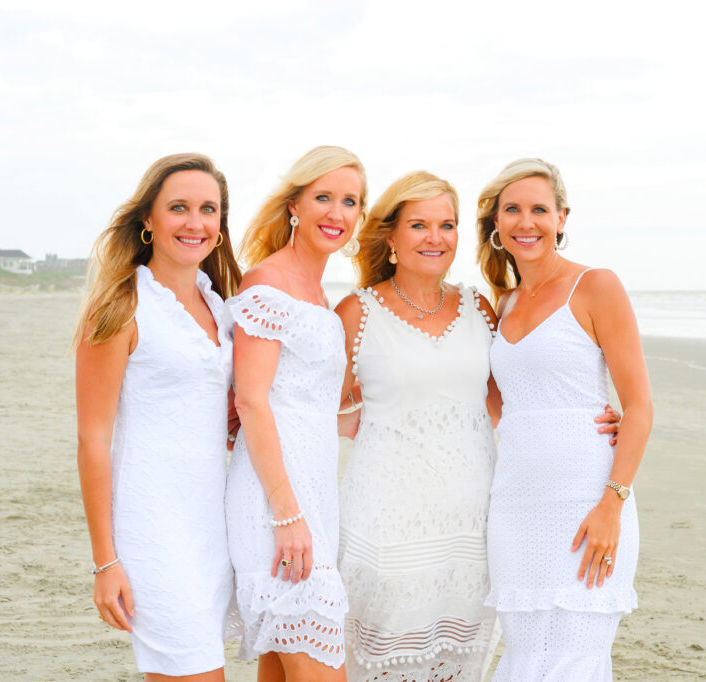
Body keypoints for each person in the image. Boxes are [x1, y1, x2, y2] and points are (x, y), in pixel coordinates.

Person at [334, 171, 623, 681]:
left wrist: (587, 421)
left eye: (447, 225)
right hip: (385, 518)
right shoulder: (357, 312)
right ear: (390, 237)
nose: (435, 237)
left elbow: (508, 401)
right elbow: (328, 412)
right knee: (379, 662)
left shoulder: (480, 307)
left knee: (459, 665)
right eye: (419, 224)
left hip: (474, 522)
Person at [477, 158, 653, 681]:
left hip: (586, 501)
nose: (525, 222)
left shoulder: (596, 286)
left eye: (539, 209)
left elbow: (640, 405)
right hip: (515, 505)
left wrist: (611, 505)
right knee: (526, 655)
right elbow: (500, 401)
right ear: (496, 224)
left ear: (561, 218)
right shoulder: (503, 304)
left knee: (574, 658)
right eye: (512, 210)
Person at [74, 153, 242, 680]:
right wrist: (106, 561)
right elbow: (93, 440)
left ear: (220, 223)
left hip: (215, 528)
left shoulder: (220, 307)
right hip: (154, 530)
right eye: (178, 208)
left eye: (208, 210)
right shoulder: (121, 306)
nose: (195, 223)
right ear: (148, 219)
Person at [225, 145, 366, 682]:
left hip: (312, 497)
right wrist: (287, 514)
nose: (337, 213)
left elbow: (320, 409)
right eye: (323, 197)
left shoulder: (318, 294)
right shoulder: (268, 284)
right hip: (275, 503)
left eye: (349, 201)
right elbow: (251, 400)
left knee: (281, 672)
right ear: (294, 206)